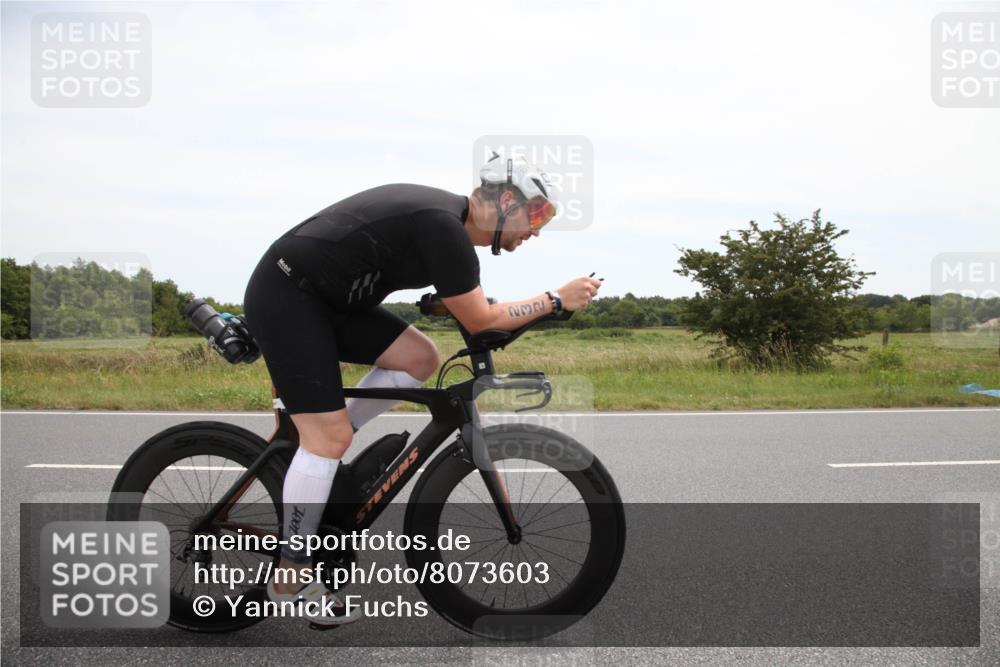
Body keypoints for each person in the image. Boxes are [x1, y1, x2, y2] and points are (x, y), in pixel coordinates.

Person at [242, 154, 602, 626]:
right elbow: (482, 320)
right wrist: (555, 299)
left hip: (328, 303)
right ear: (506, 202)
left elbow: (469, 307)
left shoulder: (449, 231)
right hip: (289, 296)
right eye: (536, 214)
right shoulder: (443, 227)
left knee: (420, 358)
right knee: (327, 439)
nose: (536, 230)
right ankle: (290, 578)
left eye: (545, 219)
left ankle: (326, 444)